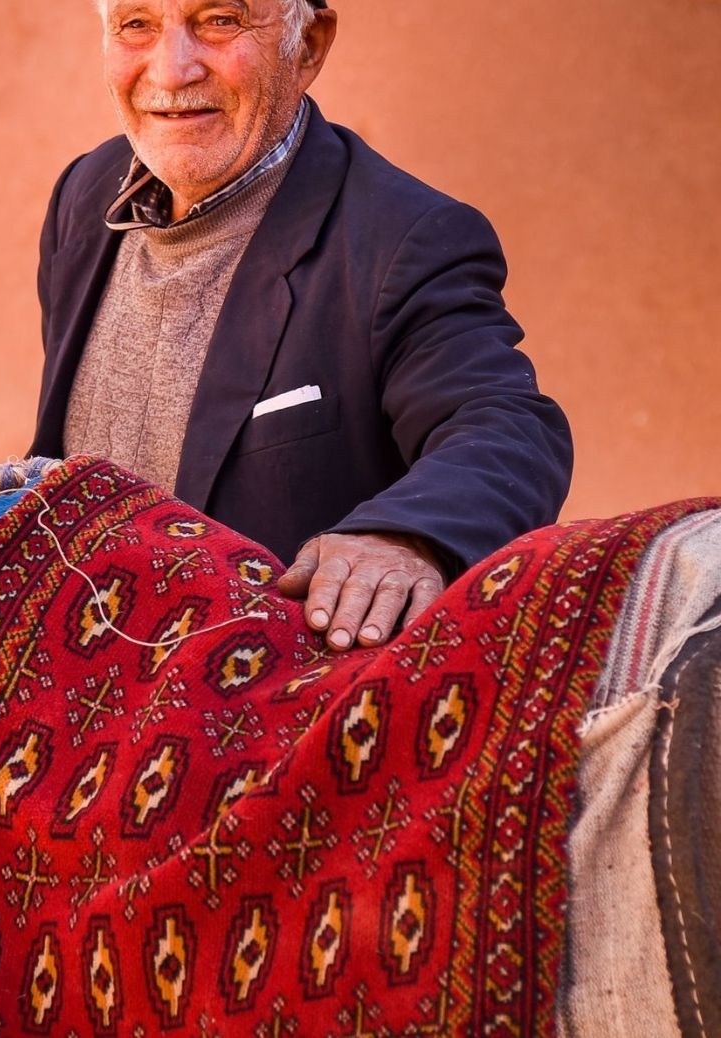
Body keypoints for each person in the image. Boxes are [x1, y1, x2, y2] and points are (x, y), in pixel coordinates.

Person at [30, 0, 572, 651]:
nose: (171, 72)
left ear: (309, 45)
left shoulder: (403, 240)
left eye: (220, 20)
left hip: (272, 718)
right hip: (80, 699)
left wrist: (406, 534)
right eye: (137, 24)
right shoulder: (84, 196)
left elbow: (506, 425)